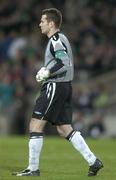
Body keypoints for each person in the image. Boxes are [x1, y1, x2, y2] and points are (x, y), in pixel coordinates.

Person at [13, 8, 103, 177]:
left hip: (55, 86)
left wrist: (48, 72)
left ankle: (33, 169)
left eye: (42, 21)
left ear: (51, 23)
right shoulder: (59, 39)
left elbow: (64, 63)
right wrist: (47, 68)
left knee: (35, 124)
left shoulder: (56, 39)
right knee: (64, 129)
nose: (40, 24)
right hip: (64, 87)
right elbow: (62, 61)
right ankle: (93, 161)